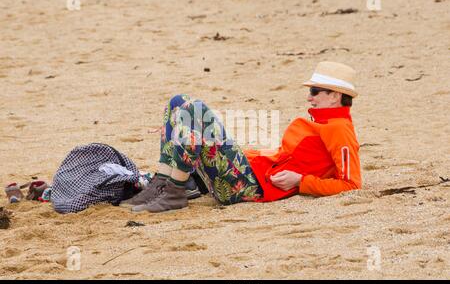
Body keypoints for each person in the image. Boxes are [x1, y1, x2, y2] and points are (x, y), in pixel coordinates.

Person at [120, 61, 362, 213]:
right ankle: (161, 185)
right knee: (177, 102)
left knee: (194, 109)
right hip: (248, 174)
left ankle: (174, 192)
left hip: (250, 187)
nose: (309, 97)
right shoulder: (322, 122)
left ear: (335, 96)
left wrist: (301, 181)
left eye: (315, 91)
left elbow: (351, 183)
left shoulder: (338, 128)